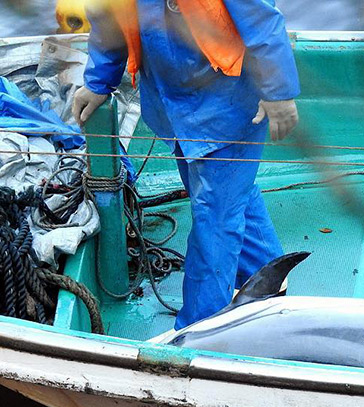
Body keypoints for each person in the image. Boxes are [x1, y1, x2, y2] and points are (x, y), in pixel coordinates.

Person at [72, 0, 300, 330]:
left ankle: (200, 329)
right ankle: (265, 274)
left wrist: (278, 91)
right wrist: (98, 80)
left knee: (214, 221)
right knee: (227, 197)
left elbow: (261, 19)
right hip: (172, 107)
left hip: (228, 107)